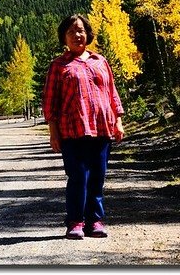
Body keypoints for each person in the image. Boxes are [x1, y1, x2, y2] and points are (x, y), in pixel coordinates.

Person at [42, 14, 125, 239]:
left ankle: (95, 221)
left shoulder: (100, 61)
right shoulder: (59, 66)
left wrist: (118, 120)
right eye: (71, 32)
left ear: (87, 34)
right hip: (72, 131)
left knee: (98, 177)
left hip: (102, 128)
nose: (77, 35)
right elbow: (50, 102)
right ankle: (75, 222)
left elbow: (112, 93)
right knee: (78, 176)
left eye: (80, 30)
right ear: (64, 38)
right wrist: (54, 132)